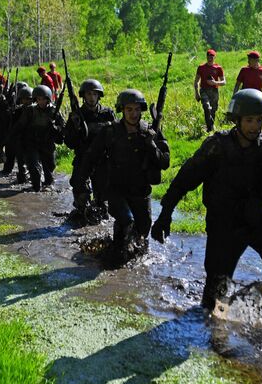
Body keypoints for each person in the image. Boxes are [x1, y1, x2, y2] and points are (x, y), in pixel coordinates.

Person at [151, 89, 262, 325]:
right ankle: (211, 332)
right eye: (249, 120)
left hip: (259, 221)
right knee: (215, 294)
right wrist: (165, 214)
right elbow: (183, 181)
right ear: (236, 121)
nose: (255, 126)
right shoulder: (216, 147)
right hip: (225, 226)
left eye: (259, 120)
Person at [75, 89, 170, 261]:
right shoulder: (110, 132)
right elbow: (91, 157)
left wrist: (152, 145)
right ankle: (114, 261)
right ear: (122, 110)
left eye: (137, 109)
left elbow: (165, 162)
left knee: (142, 233)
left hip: (141, 191)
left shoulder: (149, 130)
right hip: (116, 190)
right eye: (129, 110)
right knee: (127, 221)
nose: (134, 114)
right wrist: (81, 182)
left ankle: (130, 258)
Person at [66, 79, 116, 219]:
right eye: (89, 94)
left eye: (95, 94)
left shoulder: (108, 114)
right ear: (84, 96)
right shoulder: (77, 115)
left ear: (99, 96)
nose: (92, 97)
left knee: (103, 201)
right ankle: (83, 213)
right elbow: (69, 142)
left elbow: (116, 137)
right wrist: (76, 128)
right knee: (80, 191)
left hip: (102, 159)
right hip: (83, 157)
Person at [14, 84, 64, 191]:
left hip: (48, 144)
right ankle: (36, 187)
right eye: (38, 99)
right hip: (33, 143)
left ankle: (48, 185)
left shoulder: (54, 111)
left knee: (49, 170)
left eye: (43, 99)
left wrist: (55, 127)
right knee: (33, 168)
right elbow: (20, 125)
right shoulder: (30, 110)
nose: (41, 102)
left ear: (48, 99)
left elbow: (62, 129)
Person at [1, 85, 33, 182]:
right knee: (20, 159)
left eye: (29, 99)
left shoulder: (35, 110)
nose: (27, 101)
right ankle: (22, 176)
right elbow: (12, 126)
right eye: (24, 99)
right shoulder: (17, 111)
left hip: (32, 138)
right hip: (19, 138)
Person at [193, 49, 226, 132]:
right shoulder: (201, 67)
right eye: (208, 56)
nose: (210, 58)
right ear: (206, 56)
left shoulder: (218, 68)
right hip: (204, 90)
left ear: (214, 57)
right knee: (206, 107)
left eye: (212, 56)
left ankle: (211, 126)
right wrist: (196, 93)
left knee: (213, 110)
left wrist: (215, 82)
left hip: (214, 91)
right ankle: (209, 127)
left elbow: (224, 82)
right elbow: (196, 81)